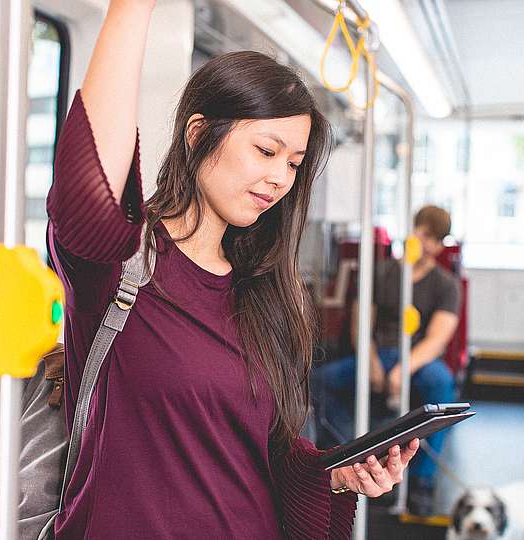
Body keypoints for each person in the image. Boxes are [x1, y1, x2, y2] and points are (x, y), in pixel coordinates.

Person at [46, 1, 418, 538]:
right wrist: (133, 8)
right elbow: (85, 192)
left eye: (293, 164)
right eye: (265, 150)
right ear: (198, 134)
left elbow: (264, 455)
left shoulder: (268, 292)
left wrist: (336, 476)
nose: (279, 179)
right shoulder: (120, 267)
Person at [312, 205, 461, 517]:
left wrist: (402, 372)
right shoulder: (381, 274)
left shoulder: (445, 285)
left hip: (417, 361)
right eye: (420, 232)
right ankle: (345, 454)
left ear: (439, 244)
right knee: (319, 382)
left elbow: (437, 338)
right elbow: (360, 324)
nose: (423, 241)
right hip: (377, 353)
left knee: (442, 385)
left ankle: (421, 481)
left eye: (431, 238)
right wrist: (373, 364)